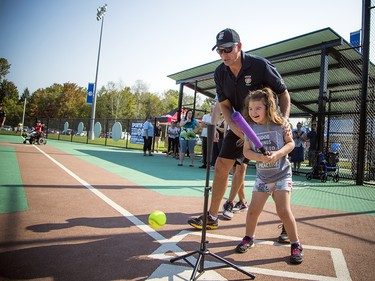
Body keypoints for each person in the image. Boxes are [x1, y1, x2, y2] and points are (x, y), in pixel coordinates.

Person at [188, 28, 291, 239]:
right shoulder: (220, 72)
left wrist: (285, 120)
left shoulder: (259, 65)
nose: (224, 54)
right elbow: (225, 104)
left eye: (228, 49)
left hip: (268, 126)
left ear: (239, 47)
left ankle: (286, 227)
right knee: (221, 165)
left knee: (274, 172)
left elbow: (283, 93)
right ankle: (212, 216)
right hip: (241, 126)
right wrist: (233, 127)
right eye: (219, 51)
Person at [234, 88, 303, 264]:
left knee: (283, 211)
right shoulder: (250, 128)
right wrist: (258, 157)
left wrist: (277, 154)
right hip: (263, 178)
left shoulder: (280, 124)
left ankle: (295, 244)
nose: (253, 112)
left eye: (258, 108)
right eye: (250, 109)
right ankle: (249, 238)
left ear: (268, 107)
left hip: (282, 175)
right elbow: (247, 151)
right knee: (253, 210)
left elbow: (291, 144)